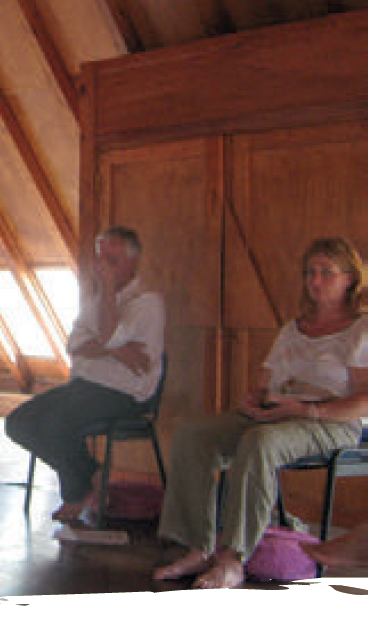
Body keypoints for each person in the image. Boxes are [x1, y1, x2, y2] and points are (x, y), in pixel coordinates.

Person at [154, 237, 367, 589]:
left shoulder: (361, 330)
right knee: (194, 434)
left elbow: (364, 401)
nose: (315, 280)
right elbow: (264, 383)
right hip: (279, 411)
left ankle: (233, 558)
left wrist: (307, 409)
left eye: (326, 272)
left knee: (260, 441)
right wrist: (253, 401)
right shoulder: (293, 329)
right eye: (310, 272)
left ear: (349, 279)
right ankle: (198, 546)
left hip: (330, 420)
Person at [6, 225, 165, 522]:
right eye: (100, 260)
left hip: (125, 395)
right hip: (85, 387)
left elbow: (106, 336)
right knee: (18, 423)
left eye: (112, 261)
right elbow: (75, 345)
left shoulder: (148, 304)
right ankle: (91, 473)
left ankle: (75, 494)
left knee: (57, 423)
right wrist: (115, 351)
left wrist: (105, 336)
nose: (103, 269)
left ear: (133, 262)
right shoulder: (95, 303)